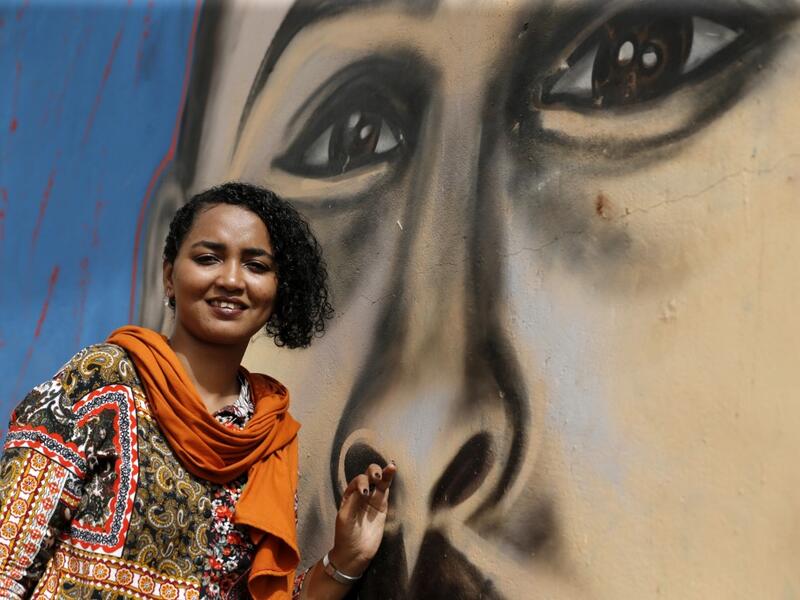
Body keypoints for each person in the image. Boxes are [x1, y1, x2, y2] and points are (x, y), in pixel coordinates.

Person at [136, 1, 800, 598]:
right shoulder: (105, 412)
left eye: (636, 61)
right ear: (160, 282)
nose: (418, 434)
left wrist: (341, 565)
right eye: (350, 140)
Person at [0, 182, 395, 599]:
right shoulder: (104, 380)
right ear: (170, 276)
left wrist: (345, 559)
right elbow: (8, 554)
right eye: (208, 258)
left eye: (256, 266)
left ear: (279, 291)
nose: (230, 280)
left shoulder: (267, 435)